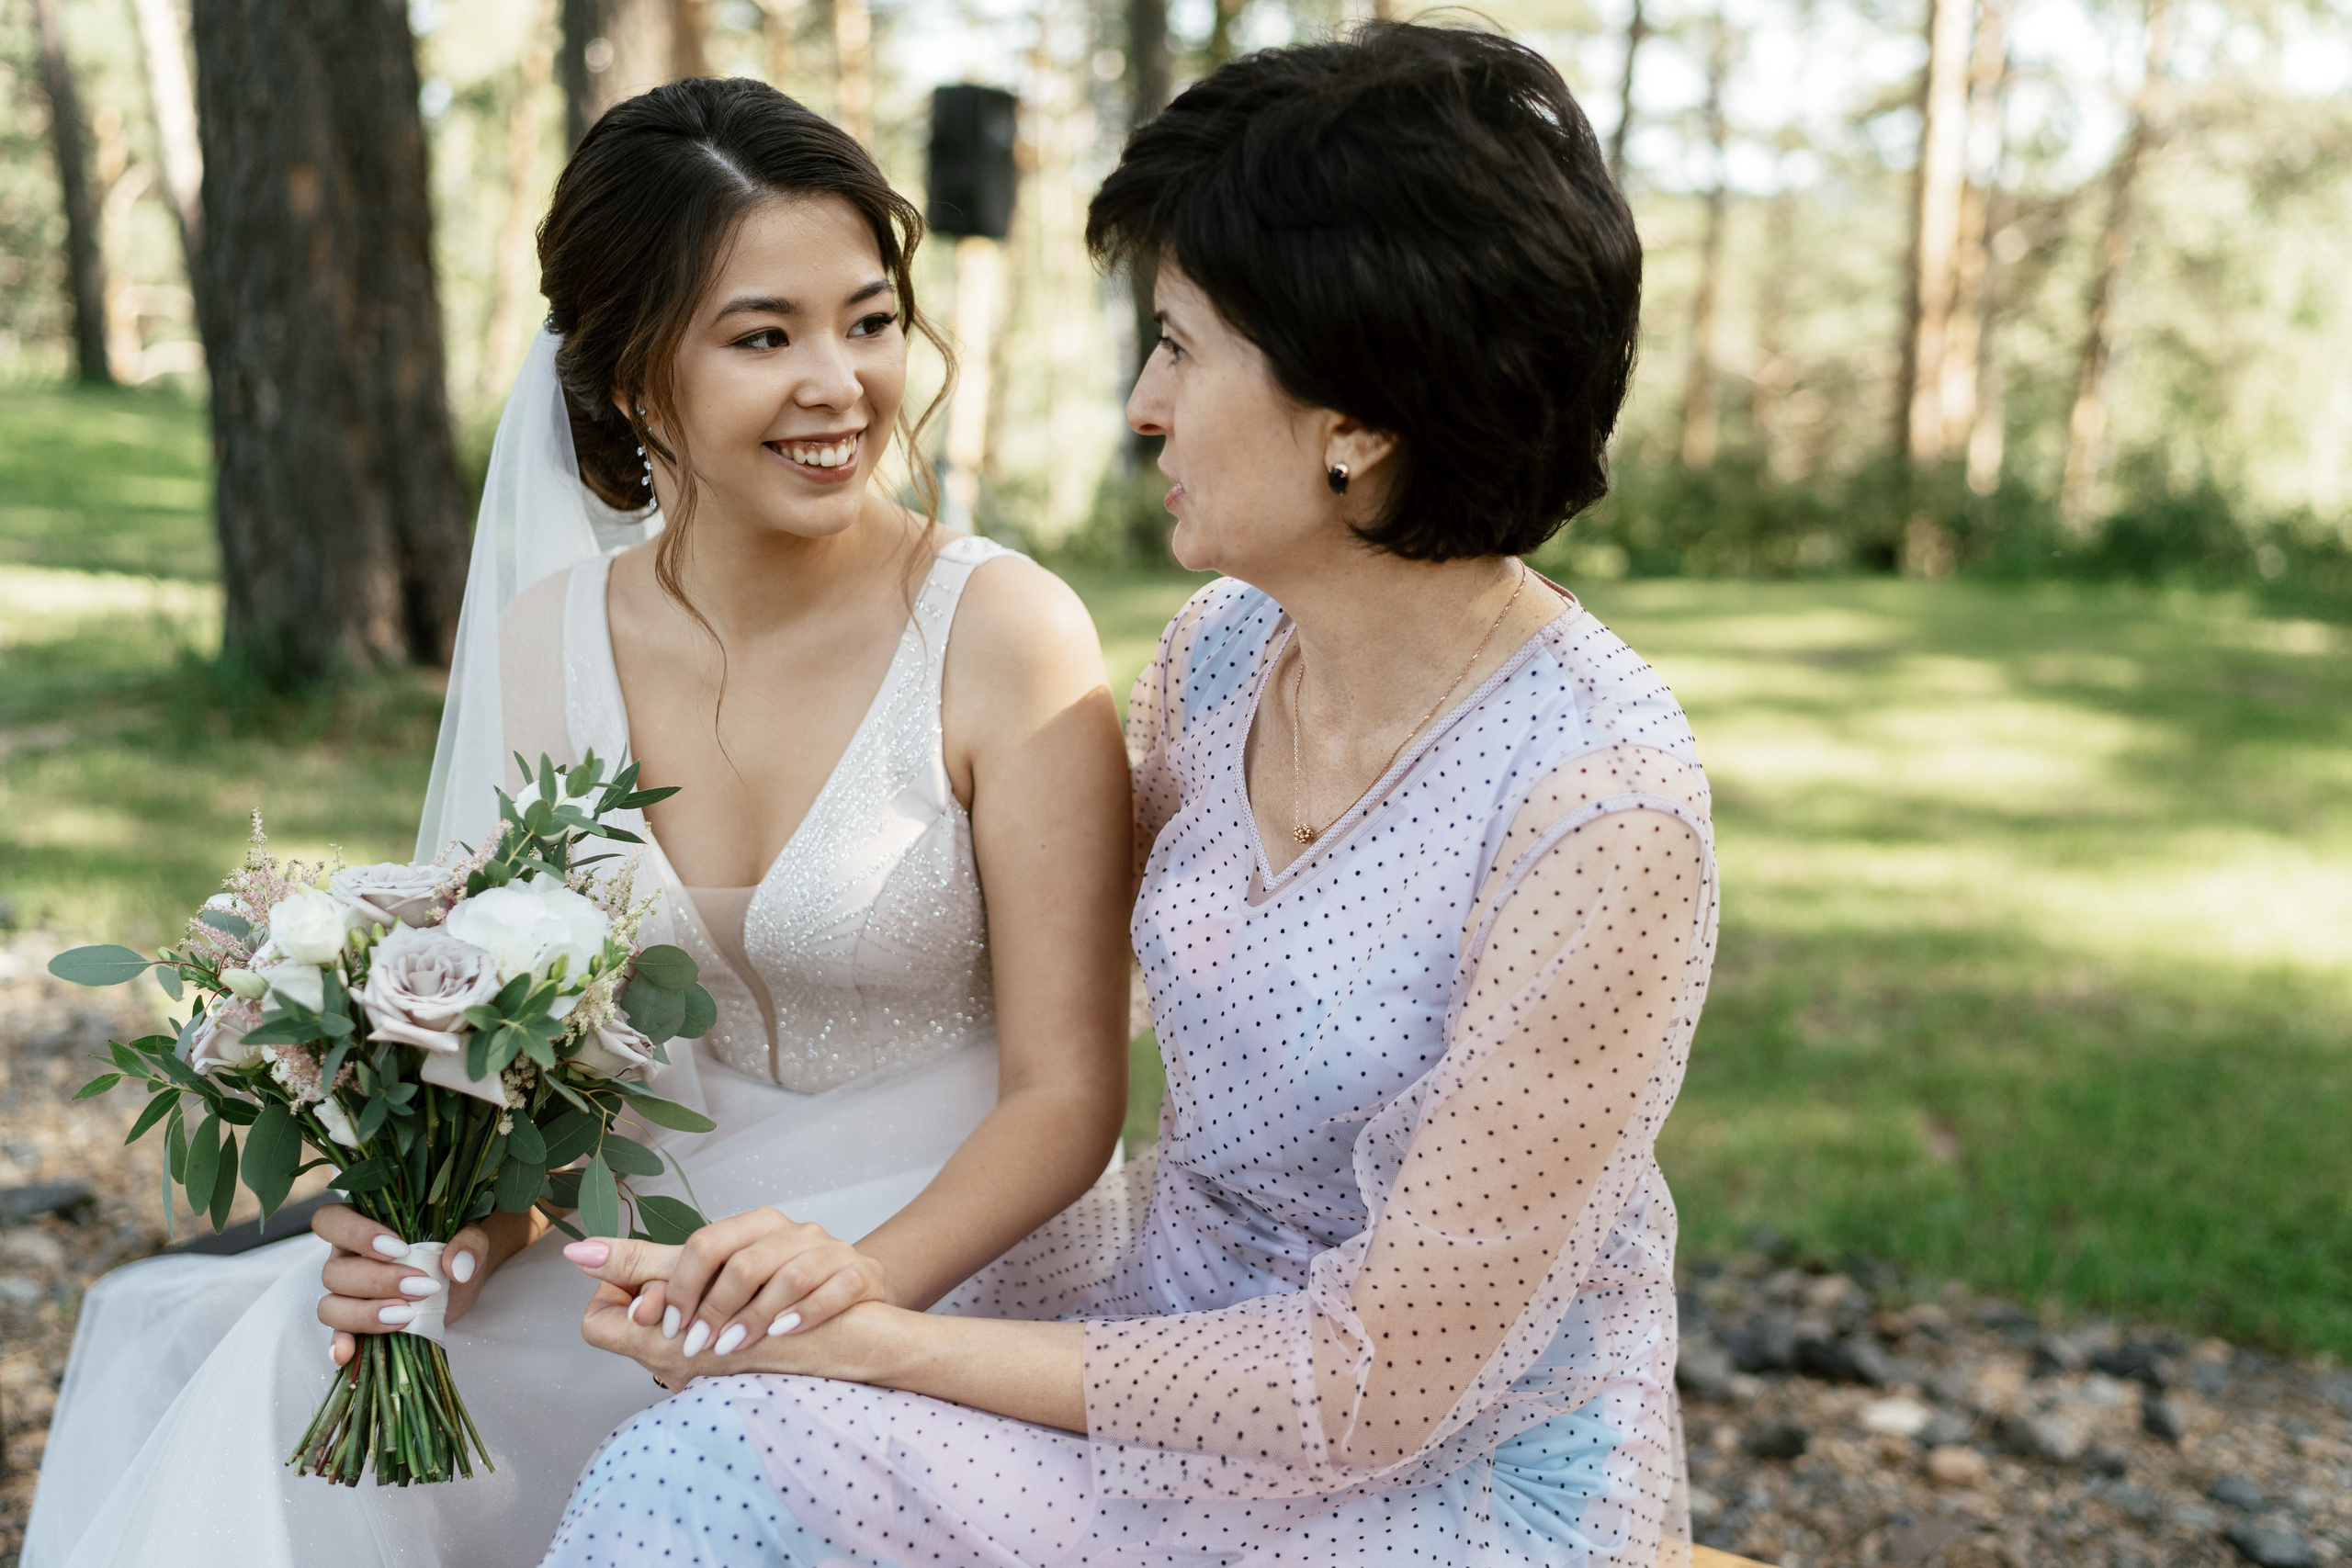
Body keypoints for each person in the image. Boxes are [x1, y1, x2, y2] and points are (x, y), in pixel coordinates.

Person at [537, 22, 1716, 1568]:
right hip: (1158, 1364)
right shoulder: (1223, 654)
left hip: (1441, 1484)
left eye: (1181, 345)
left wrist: (871, 1337)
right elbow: (1003, 942)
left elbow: (1375, 1386)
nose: (1144, 403)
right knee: (691, 1476)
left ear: (1356, 418)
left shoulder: (1598, 816)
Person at [24, 78, 1133, 1568]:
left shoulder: (1007, 631)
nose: (841, 383)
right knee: (298, 1361)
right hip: (665, 1248)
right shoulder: (552, 643)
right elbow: (552, 1068)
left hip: (955, 1249)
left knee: (711, 1445)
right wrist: (464, 1242)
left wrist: (845, 1291)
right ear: (623, 378)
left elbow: (1072, 1098)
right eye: (764, 336)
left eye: (870, 322)